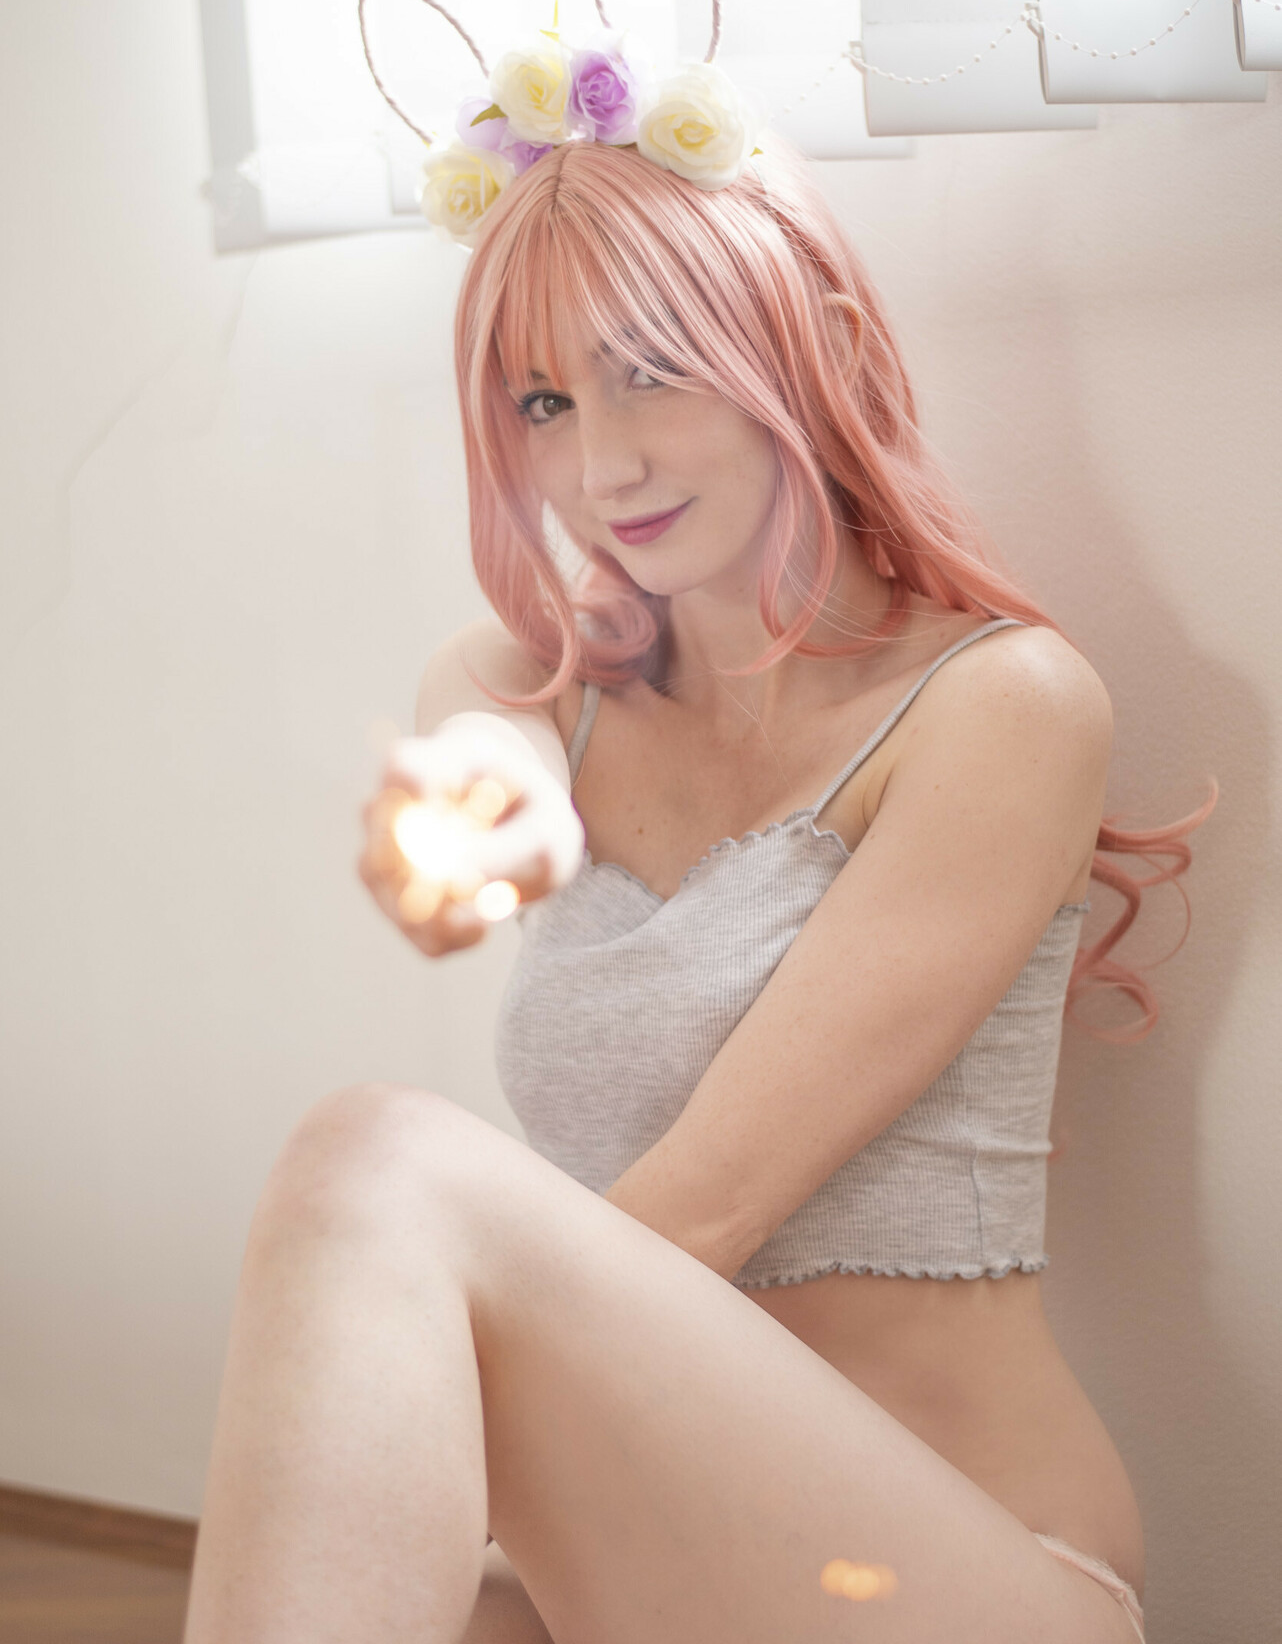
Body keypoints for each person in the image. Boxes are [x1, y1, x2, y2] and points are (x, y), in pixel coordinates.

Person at [182, 117, 1212, 1643]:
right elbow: (495, 764)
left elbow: (703, 1209)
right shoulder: (522, 686)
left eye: (650, 369)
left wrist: (393, 1478)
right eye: (545, 401)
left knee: (376, 1160)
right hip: (653, 1565)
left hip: (969, 1579)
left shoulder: (1003, 708)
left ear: (822, 343)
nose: (600, 464)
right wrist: (490, 821)